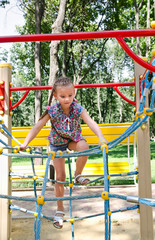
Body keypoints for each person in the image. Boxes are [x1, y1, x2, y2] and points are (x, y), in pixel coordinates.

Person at [20, 77, 107, 229]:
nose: (67, 99)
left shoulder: (78, 108)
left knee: (84, 146)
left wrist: (101, 137)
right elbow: (37, 126)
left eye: (70, 95)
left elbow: (91, 122)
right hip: (57, 143)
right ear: (55, 95)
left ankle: (78, 174)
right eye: (63, 96)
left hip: (73, 139)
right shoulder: (52, 110)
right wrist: (25, 142)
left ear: (74, 94)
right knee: (60, 177)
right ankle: (60, 210)